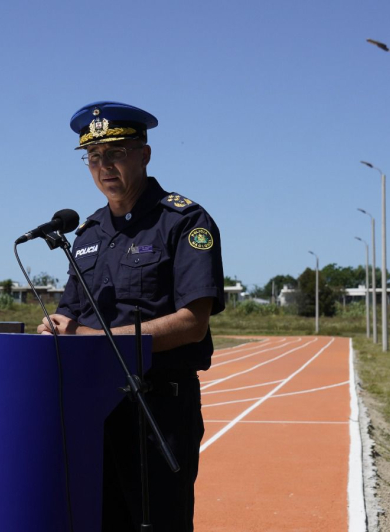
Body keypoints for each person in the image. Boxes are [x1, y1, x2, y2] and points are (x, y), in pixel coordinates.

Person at [37, 101, 225, 531]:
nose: (104, 166)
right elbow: (69, 314)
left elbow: (193, 323)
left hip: (157, 410)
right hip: (92, 409)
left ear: (145, 154)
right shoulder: (87, 233)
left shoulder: (183, 221)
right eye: (93, 156)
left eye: (116, 153)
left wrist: (93, 339)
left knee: (157, 523)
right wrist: (54, 328)